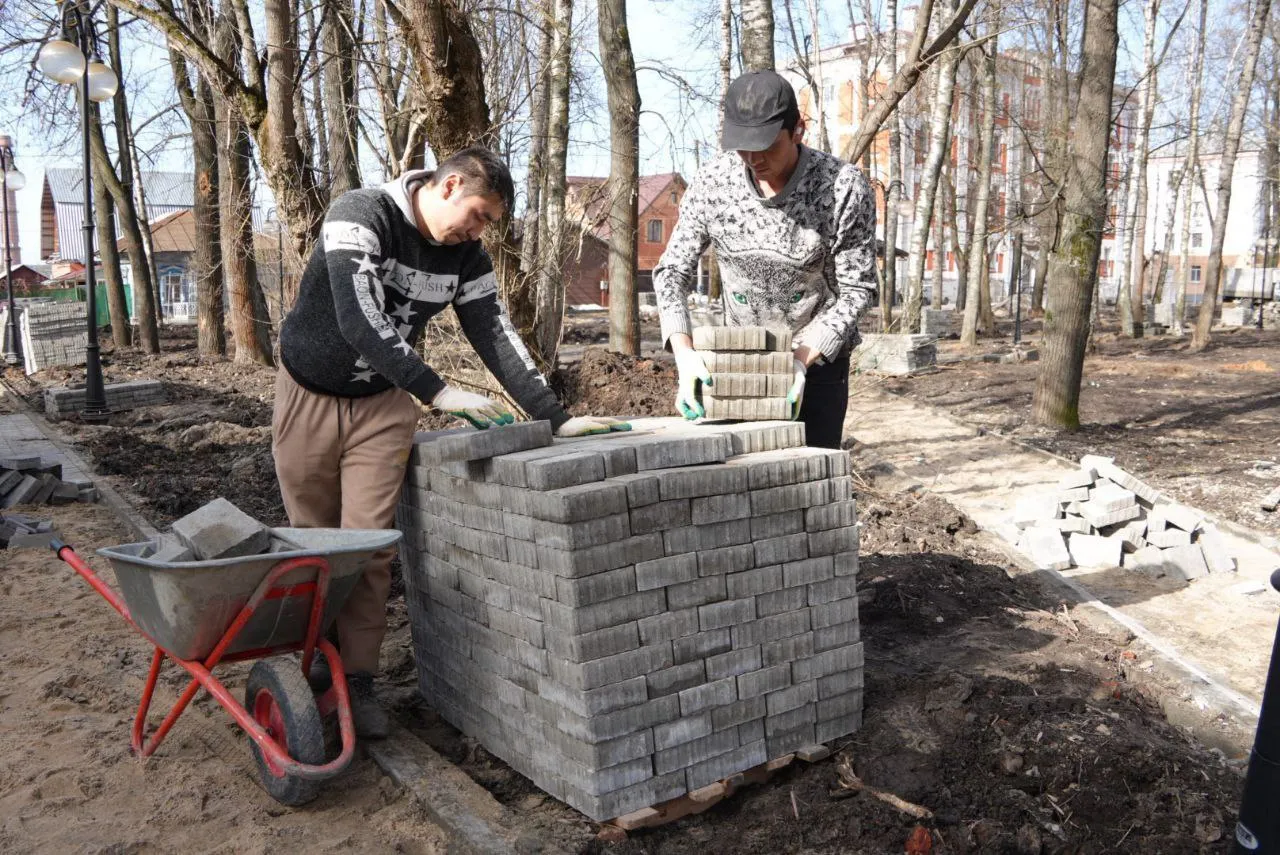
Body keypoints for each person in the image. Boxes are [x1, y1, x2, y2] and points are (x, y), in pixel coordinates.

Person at [272, 146, 627, 738]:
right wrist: (440, 392)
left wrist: (555, 418)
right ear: (449, 184)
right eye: (479, 214)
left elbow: (494, 330)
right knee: (312, 543)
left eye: (488, 222)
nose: (479, 229)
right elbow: (358, 320)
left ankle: (358, 683)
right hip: (309, 395)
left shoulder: (465, 256)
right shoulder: (360, 215)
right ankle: (310, 665)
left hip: (383, 409)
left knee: (369, 547)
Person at [653, 70, 878, 449]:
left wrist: (801, 359)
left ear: (798, 130)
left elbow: (857, 290)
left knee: (809, 482)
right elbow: (671, 272)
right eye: (743, 146)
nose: (754, 159)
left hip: (815, 366)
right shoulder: (713, 184)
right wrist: (685, 354)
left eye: (767, 145)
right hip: (738, 362)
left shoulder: (842, 187)